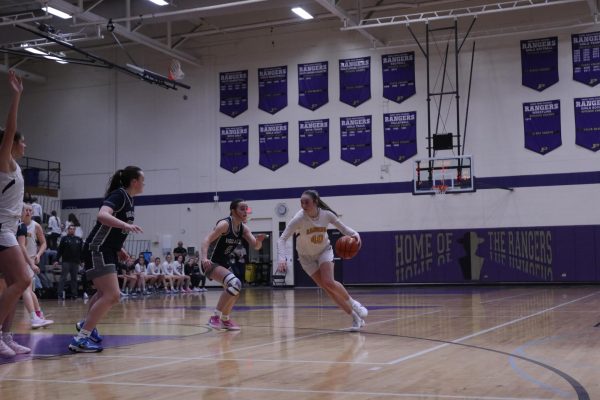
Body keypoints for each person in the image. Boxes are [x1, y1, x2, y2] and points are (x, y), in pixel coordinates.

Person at [69, 166, 144, 353]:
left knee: (104, 293)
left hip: (107, 249)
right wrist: (126, 225)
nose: (144, 184)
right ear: (134, 181)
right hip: (98, 248)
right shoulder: (119, 195)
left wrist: (120, 248)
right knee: (113, 295)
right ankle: (81, 338)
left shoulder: (130, 200)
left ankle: (87, 326)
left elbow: (113, 231)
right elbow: (102, 216)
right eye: (142, 180)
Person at [276, 189, 368, 331]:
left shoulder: (326, 215)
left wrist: (354, 234)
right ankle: (356, 318)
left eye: (306, 202)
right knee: (328, 290)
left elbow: (342, 228)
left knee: (329, 281)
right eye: (301, 202)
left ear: (315, 202)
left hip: (323, 251)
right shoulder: (299, 218)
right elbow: (282, 239)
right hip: (306, 258)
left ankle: (354, 303)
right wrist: (282, 258)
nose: (303, 205)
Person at [0, 71, 34, 357]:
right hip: (0, 229)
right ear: (11, 143)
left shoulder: (14, 167)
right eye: (22, 141)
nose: (25, 145)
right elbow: (9, 130)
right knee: (23, 281)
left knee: (15, 283)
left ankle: (6, 336)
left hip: (8, 227)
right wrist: (16, 95)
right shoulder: (4, 160)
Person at [200, 199, 266, 331]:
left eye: (246, 209)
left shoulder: (243, 228)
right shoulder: (224, 224)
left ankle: (225, 319)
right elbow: (206, 240)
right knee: (235, 283)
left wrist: (259, 241)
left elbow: (256, 246)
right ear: (233, 210)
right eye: (242, 208)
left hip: (223, 262)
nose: (245, 211)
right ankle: (215, 317)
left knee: (235, 291)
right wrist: (204, 258)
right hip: (211, 261)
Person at [17, 204, 53, 328]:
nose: (28, 212)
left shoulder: (35, 226)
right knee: (27, 289)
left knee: (28, 290)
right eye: (25, 210)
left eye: (30, 211)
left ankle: (37, 315)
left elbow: (44, 243)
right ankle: (37, 315)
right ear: (20, 211)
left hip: (31, 260)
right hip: (21, 260)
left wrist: (38, 254)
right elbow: (21, 246)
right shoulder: (18, 226)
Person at [54, 224, 84, 299]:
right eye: (70, 229)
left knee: (74, 278)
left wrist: (82, 261)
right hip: (66, 262)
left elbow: (81, 252)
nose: (72, 230)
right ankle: (59, 293)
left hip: (75, 262)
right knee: (63, 278)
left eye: (73, 229)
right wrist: (56, 260)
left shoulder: (79, 239)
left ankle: (74, 294)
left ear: (75, 230)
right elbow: (60, 250)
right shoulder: (64, 239)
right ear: (68, 230)